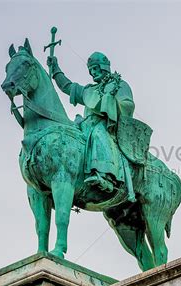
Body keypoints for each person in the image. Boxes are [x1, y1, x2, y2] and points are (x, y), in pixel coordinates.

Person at [47, 52, 134, 197]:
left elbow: (128, 106)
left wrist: (110, 102)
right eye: (91, 70)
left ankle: (105, 176)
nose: (93, 72)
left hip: (106, 126)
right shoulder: (89, 90)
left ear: (104, 67)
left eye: (95, 68)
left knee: (99, 134)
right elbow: (68, 87)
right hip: (85, 125)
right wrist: (55, 69)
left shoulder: (119, 85)